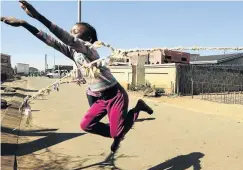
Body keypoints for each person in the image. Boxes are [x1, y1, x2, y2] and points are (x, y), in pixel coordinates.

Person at [1, 0, 154, 153]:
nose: (70, 35)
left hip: (115, 95)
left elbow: (67, 39)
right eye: (71, 31)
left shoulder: (90, 51)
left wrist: (38, 16)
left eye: (75, 32)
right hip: (99, 97)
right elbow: (50, 40)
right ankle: (117, 133)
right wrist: (23, 23)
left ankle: (136, 110)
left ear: (88, 40)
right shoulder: (73, 53)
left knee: (116, 131)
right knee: (87, 125)